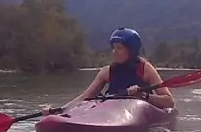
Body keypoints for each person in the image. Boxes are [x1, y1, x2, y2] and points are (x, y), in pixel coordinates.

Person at [42, 27, 174, 115]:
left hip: (137, 113)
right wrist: (59, 111)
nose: (114, 52)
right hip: (112, 114)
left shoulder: (145, 68)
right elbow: (84, 98)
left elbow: (169, 101)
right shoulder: (107, 72)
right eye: (113, 48)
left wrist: (144, 96)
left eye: (119, 48)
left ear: (131, 50)